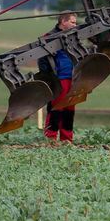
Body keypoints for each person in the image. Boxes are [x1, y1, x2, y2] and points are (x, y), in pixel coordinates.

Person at [40, 11, 78, 142]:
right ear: (63, 21)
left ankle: (66, 139)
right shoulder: (48, 38)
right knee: (56, 108)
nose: (75, 25)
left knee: (69, 109)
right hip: (59, 79)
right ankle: (50, 137)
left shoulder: (73, 37)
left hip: (72, 79)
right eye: (72, 22)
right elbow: (43, 61)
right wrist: (49, 78)